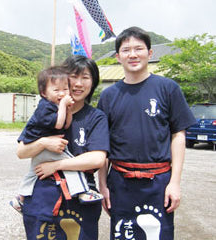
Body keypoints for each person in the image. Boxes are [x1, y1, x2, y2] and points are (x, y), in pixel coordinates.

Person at [98, 26, 197, 240]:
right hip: (120, 182)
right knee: (123, 234)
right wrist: (103, 185)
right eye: (126, 50)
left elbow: (178, 136)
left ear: (150, 53)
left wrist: (175, 182)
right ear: (117, 57)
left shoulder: (168, 88)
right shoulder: (108, 96)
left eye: (138, 48)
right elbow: (102, 147)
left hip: (159, 181)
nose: (132, 55)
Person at [16, 55, 110, 240]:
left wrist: (56, 166)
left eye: (85, 77)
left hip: (81, 196)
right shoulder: (43, 112)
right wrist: (44, 142)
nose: (78, 83)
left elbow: (97, 159)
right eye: (73, 77)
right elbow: (21, 152)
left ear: (93, 83)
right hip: (42, 193)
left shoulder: (96, 117)